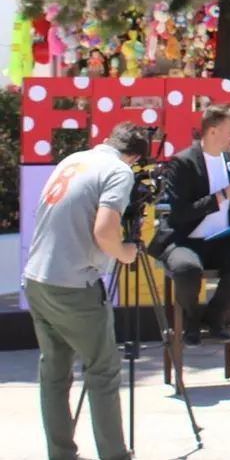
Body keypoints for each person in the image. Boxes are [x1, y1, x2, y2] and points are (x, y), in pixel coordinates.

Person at [23, 123, 147, 460]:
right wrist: (126, 252)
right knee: (102, 371)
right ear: (134, 157)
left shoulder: (74, 160)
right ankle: (114, 455)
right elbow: (105, 231)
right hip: (75, 285)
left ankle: (60, 454)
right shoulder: (119, 171)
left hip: (37, 277)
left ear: (107, 140)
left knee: (54, 372)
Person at [151, 103, 230, 345]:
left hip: (223, 239)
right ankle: (192, 319)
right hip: (186, 239)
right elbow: (181, 212)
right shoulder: (182, 163)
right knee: (186, 270)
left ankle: (214, 315)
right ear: (212, 131)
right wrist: (222, 195)